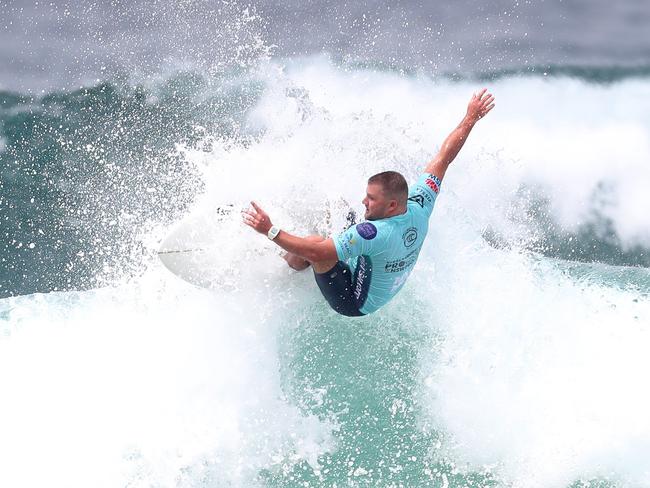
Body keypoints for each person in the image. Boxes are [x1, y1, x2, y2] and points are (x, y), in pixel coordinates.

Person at [243, 89, 495, 316]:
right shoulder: (420, 204)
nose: (364, 201)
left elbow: (316, 253)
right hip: (378, 262)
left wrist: (270, 230)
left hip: (355, 299)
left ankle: (286, 265)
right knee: (340, 207)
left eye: (372, 199)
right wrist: (470, 117)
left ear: (392, 206)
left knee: (313, 244)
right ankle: (309, 249)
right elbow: (444, 158)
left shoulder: (375, 233)